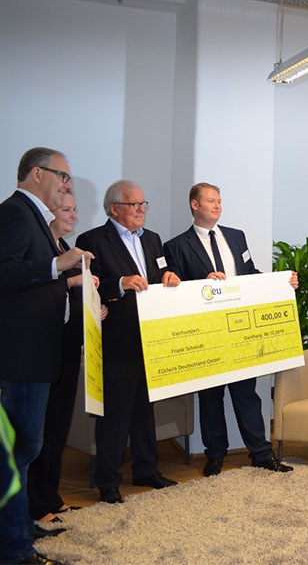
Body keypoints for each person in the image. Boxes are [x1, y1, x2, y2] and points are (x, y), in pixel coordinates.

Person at [164, 182, 295, 476]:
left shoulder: (237, 237)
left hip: (240, 331)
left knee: (247, 394)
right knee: (210, 398)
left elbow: (251, 275)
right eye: (211, 200)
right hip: (206, 334)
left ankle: (261, 454)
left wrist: (280, 283)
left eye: (220, 201)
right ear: (194, 205)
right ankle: (215, 456)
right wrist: (201, 285)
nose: (217, 206)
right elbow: (175, 290)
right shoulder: (176, 246)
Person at [0, 147, 91, 565]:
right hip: (20, 358)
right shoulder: (15, 213)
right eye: (63, 176)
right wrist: (59, 265)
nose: (67, 184)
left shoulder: (31, 216)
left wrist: (65, 282)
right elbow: (5, 273)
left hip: (35, 356)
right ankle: (13, 548)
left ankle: (19, 527)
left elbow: (28, 282)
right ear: (37, 173)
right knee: (18, 453)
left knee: (25, 451)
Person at [75, 180, 180, 504]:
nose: (140, 210)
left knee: (144, 411)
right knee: (114, 416)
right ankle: (107, 480)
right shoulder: (92, 240)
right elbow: (88, 287)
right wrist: (120, 283)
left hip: (150, 339)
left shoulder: (153, 239)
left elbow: (161, 272)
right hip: (117, 341)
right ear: (114, 208)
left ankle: (147, 469)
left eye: (143, 204)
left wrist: (169, 276)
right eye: (133, 204)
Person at [28, 192, 105, 524]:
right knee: (40, 430)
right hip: (42, 354)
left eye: (75, 209)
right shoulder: (43, 254)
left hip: (67, 351)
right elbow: (34, 298)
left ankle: (51, 495)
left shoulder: (64, 249)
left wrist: (93, 310)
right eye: (66, 210)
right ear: (49, 215)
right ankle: (35, 503)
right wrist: (72, 281)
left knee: (58, 427)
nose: (73, 215)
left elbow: (68, 307)